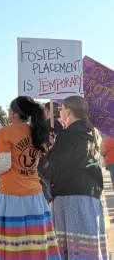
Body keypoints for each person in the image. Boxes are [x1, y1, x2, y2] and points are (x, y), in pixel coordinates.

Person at [0, 96, 60, 259]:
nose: (8, 112)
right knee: (34, 240)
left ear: (15, 113)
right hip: (35, 196)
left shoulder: (5, 132)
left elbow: (5, 164)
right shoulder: (37, 131)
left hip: (11, 195)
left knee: (8, 242)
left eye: (9, 109)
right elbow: (34, 162)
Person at [48, 96, 109, 259]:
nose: (59, 111)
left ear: (68, 110)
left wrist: (50, 151)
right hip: (91, 194)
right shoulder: (94, 132)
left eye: (61, 108)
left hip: (70, 195)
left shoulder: (67, 135)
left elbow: (57, 166)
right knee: (89, 245)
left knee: (73, 247)